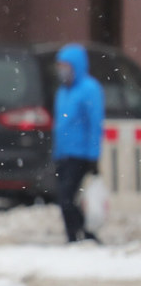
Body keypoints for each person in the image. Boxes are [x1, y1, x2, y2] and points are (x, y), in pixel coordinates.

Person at [52, 43, 105, 242]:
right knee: (65, 198)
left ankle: (77, 235)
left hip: (80, 155)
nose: (62, 71)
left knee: (67, 198)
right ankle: (80, 234)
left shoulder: (90, 89)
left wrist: (93, 156)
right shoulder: (63, 91)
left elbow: (94, 124)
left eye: (65, 66)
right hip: (64, 154)